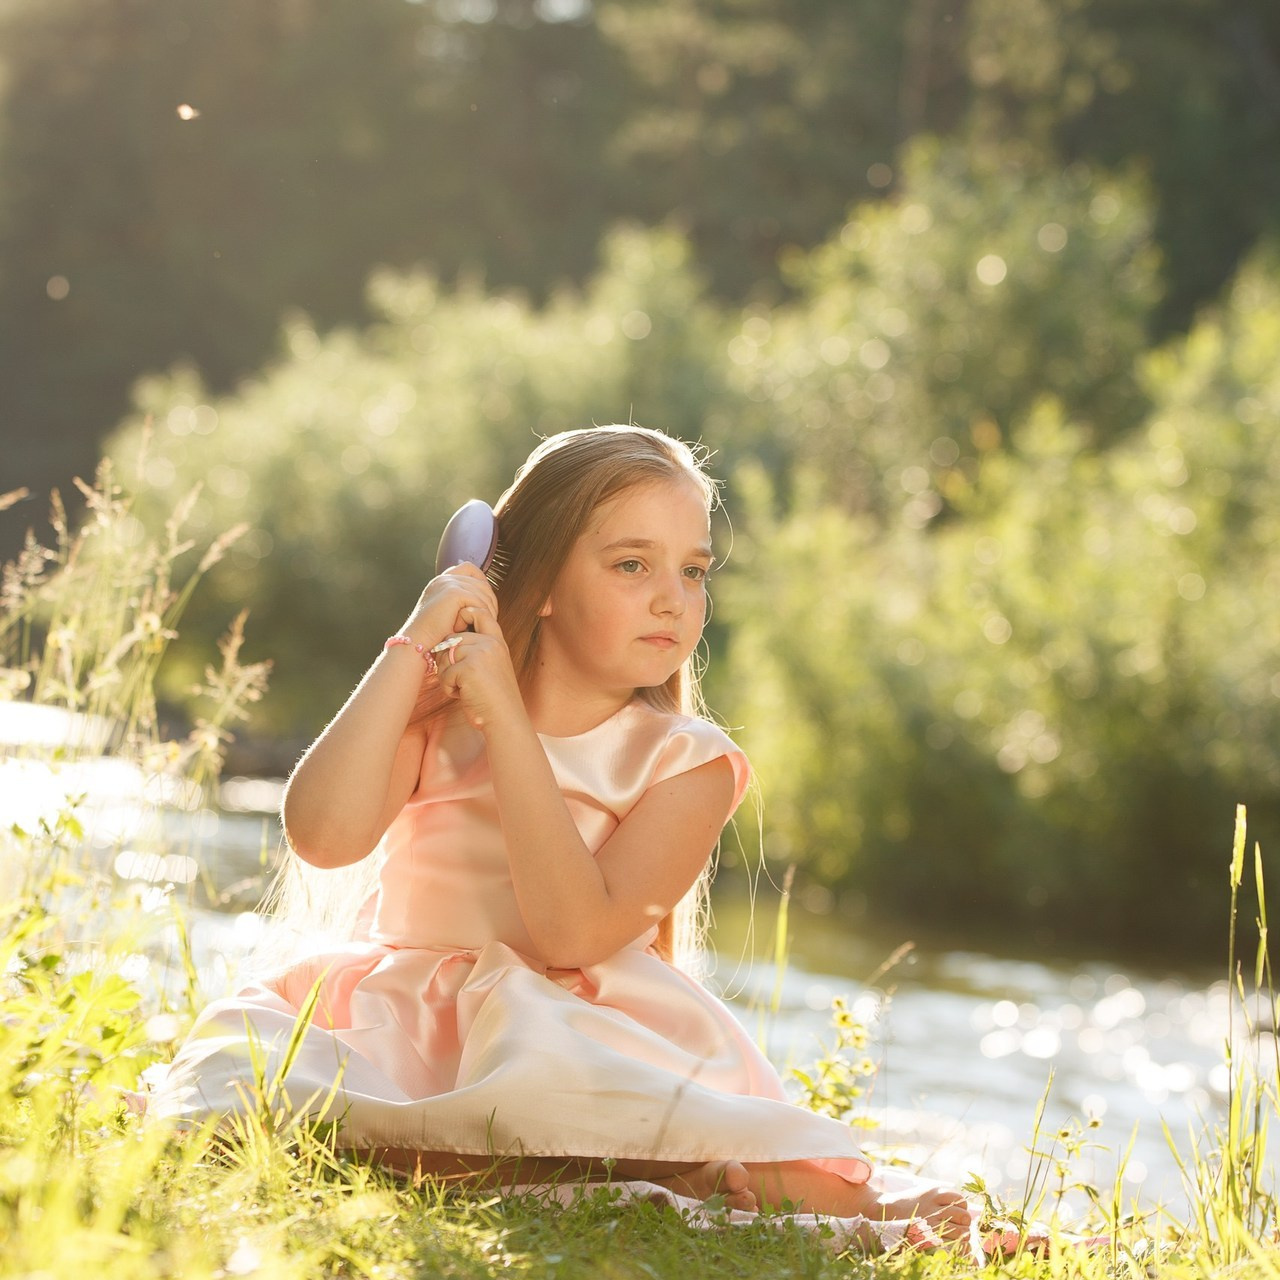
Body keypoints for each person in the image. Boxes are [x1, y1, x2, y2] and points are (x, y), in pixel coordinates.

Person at [151, 425, 976, 1251]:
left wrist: (506, 719)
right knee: (249, 1085)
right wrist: (416, 639)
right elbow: (323, 835)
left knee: (592, 1115)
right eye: (632, 565)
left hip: (576, 1026)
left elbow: (571, 934)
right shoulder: (438, 716)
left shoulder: (688, 763)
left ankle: (790, 1194)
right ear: (539, 582)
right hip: (407, 1014)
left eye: (692, 571)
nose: (672, 598)